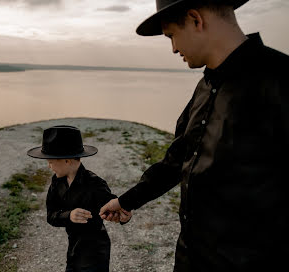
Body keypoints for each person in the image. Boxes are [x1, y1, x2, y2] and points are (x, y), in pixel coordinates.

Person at [99, 0, 289, 271]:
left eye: (171, 36)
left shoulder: (280, 81)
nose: (174, 48)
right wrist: (127, 200)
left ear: (195, 20)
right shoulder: (204, 86)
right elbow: (177, 161)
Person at [27, 125, 132, 272]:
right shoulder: (57, 182)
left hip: (95, 251)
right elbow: (51, 216)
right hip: (73, 248)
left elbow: (114, 206)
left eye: (50, 162)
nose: (49, 166)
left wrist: (123, 217)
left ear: (67, 161)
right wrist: (69, 215)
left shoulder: (95, 183)